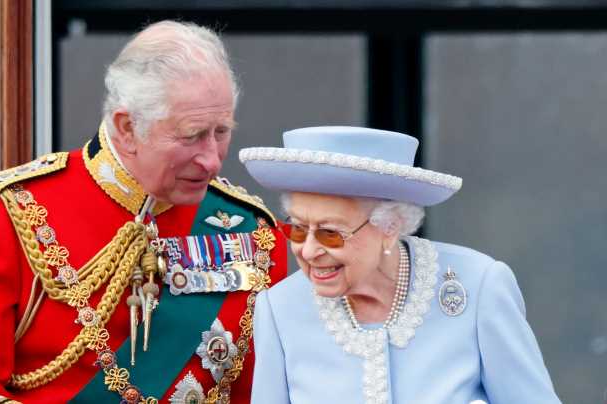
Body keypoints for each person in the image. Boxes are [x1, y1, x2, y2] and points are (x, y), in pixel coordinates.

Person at [0, 20, 287, 404]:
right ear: (127, 128)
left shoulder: (253, 234)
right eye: (191, 135)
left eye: (222, 132)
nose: (212, 160)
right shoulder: (11, 214)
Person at [240, 126, 562, 403]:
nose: (308, 251)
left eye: (330, 234)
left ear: (389, 228)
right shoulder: (279, 310)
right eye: (297, 229)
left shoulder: (479, 288)